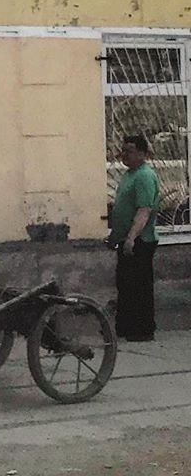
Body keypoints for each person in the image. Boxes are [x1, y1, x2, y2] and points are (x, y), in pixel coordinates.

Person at [109, 134, 160, 342]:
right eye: (123, 150)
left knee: (139, 285)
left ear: (141, 153)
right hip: (125, 239)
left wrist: (131, 237)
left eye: (129, 151)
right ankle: (125, 327)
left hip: (140, 240)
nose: (125, 155)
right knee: (125, 283)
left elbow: (144, 210)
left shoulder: (145, 176)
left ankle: (143, 329)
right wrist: (115, 236)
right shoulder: (129, 174)